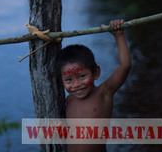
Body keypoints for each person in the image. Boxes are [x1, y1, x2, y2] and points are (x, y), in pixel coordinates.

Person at [56, 19, 131, 152]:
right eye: (68, 80)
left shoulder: (104, 93)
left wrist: (118, 35)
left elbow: (125, 66)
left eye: (82, 76)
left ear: (96, 73)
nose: (76, 85)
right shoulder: (69, 101)